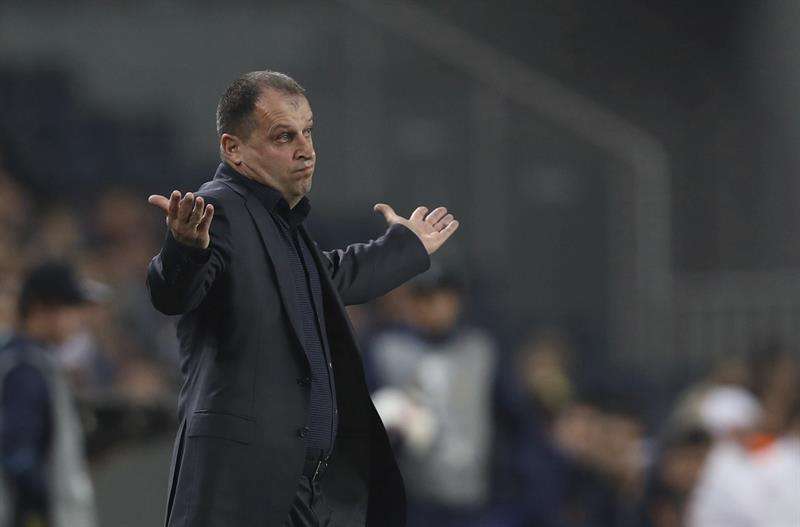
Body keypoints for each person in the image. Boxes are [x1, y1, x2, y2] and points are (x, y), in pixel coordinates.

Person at [146, 70, 459, 527]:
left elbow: (331, 277)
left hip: (303, 492)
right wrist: (185, 249)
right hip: (242, 495)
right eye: (283, 136)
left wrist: (406, 246)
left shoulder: (278, 224)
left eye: (308, 131)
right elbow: (173, 292)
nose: (306, 149)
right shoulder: (220, 209)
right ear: (233, 149)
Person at [366, 265, 497, 527]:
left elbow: (506, 412)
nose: (436, 307)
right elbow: (369, 419)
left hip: (473, 494)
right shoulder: (388, 351)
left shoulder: (479, 350)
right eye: (425, 298)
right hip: (413, 495)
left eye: (444, 297)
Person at [0, 261, 99, 527]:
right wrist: (38, 514)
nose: (79, 318)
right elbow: (19, 457)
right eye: (71, 307)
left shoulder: (34, 362)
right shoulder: (25, 368)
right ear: (41, 308)